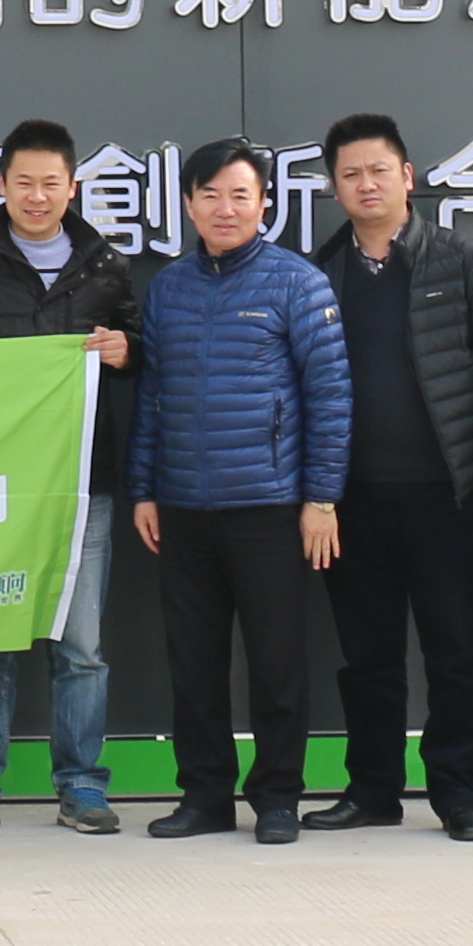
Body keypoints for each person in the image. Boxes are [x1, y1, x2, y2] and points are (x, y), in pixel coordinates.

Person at [127, 139, 352, 842]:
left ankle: (278, 798)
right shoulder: (169, 286)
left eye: (240, 195)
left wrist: (321, 498)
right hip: (183, 508)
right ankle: (204, 797)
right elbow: (153, 395)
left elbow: (331, 398)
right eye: (210, 196)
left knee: (277, 663)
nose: (225, 209)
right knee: (193, 664)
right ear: (188, 203)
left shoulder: (297, 283)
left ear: (264, 203)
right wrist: (144, 488)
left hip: (271, 507)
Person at [0, 122, 140, 839]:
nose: (37, 195)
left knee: (80, 648)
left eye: (51, 182)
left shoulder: (106, 266)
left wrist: (126, 350)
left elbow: (142, 351)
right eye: (23, 181)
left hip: (83, 483)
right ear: (0, 186)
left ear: (73, 187)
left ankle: (82, 784)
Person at [314, 114, 473, 840]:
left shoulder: (460, 259)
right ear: (335, 187)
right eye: (351, 174)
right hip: (352, 500)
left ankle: (459, 796)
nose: (366, 184)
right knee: (367, 657)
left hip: (445, 496)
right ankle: (373, 791)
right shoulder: (321, 271)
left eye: (378, 170)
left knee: (454, 653)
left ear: (407, 177)